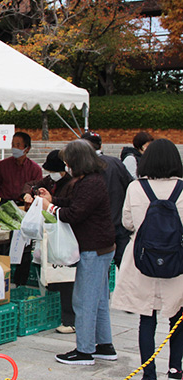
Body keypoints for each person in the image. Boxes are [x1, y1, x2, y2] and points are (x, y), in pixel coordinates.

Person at [112, 138, 183, 380]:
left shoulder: (135, 188)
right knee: (178, 314)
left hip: (142, 260)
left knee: (147, 318)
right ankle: (176, 369)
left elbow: (127, 223)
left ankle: (149, 378)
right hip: (178, 261)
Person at [38, 139, 116, 366]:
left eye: (68, 162)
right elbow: (74, 203)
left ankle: (84, 351)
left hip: (94, 248)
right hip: (100, 246)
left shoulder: (90, 183)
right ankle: (104, 345)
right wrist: (53, 199)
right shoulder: (88, 180)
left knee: (84, 300)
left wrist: (50, 207)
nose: (66, 167)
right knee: (99, 299)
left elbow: (75, 213)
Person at [22, 150, 75, 333]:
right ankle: (57, 312)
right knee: (54, 274)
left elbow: (69, 205)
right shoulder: (51, 181)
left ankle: (70, 319)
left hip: (67, 235)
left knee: (67, 276)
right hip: (53, 232)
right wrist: (31, 193)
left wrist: (51, 203)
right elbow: (33, 185)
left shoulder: (72, 183)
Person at [81, 131, 133, 268]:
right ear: (100, 145)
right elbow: (130, 185)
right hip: (119, 223)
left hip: (96, 229)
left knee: (100, 270)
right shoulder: (116, 163)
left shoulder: (84, 167)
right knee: (123, 265)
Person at [0, 131, 42, 211]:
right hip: (5, 205)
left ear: (27, 148)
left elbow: (38, 190)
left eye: (18, 145)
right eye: (13, 145)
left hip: (24, 206)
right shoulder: (3, 165)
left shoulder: (35, 169)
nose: (14, 148)